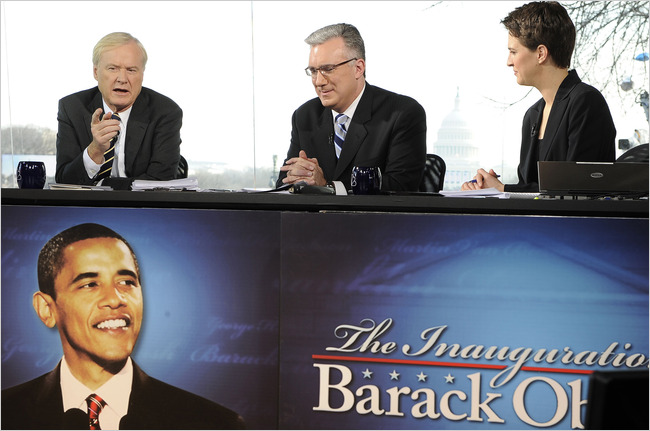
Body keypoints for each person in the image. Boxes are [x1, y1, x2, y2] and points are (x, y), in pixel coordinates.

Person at [1, 223, 244, 430]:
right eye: (90, 284)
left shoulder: (214, 423)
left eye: (126, 282)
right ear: (47, 309)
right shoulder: (7, 414)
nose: (116, 298)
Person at [462, 1, 616, 193]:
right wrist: (489, 188)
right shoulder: (532, 115)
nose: (508, 62)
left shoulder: (586, 102)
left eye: (513, 52)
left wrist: (504, 189)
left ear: (541, 53)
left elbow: (577, 189)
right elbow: (530, 187)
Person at [276, 23, 427, 192]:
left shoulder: (401, 113)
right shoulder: (305, 116)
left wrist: (327, 187)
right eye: (313, 71)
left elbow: (401, 187)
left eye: (328, 69)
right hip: (315, 219)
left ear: (358, 68)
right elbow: (284, 184)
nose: (319, 81)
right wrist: (297, 178)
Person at [55, 32, 183, 186]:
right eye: (113, 68)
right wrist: (95, 150)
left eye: (131, 70)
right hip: (86, 208)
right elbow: (64, 182)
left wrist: (104, 185)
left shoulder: (165, 112)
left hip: (141, 208)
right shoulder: (72, 108)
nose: (122, 79)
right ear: (96, 72)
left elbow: (161, 182)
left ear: (142, 74)